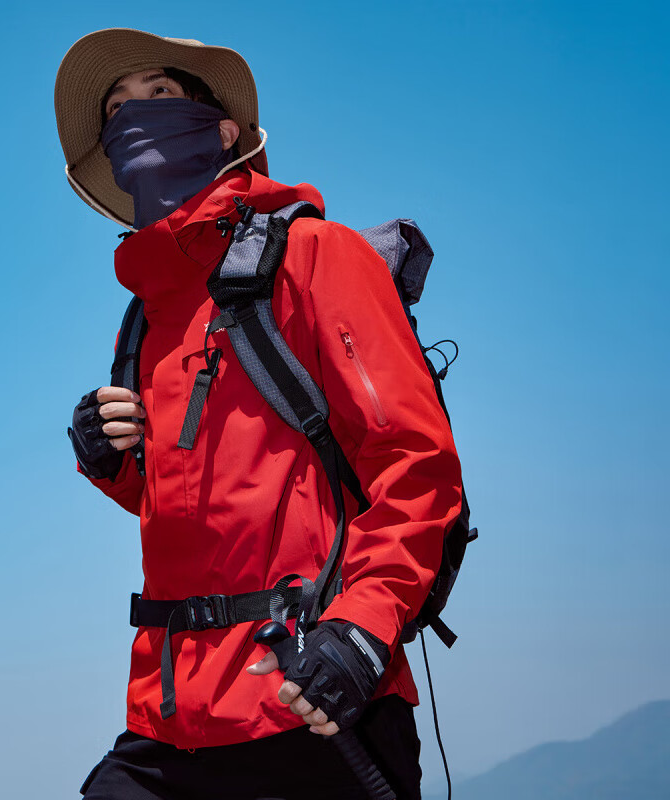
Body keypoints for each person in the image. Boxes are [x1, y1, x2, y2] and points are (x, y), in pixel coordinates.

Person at [55, 27, 463, 800]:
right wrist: (112, 462)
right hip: (172, 721)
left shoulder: (316, 256)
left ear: (223, 130)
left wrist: (362, 633)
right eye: (115, 109)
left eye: (157, 94)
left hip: (315, 703)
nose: (133, 117)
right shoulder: (144, 319)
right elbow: (202, 498)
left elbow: (415, 465)